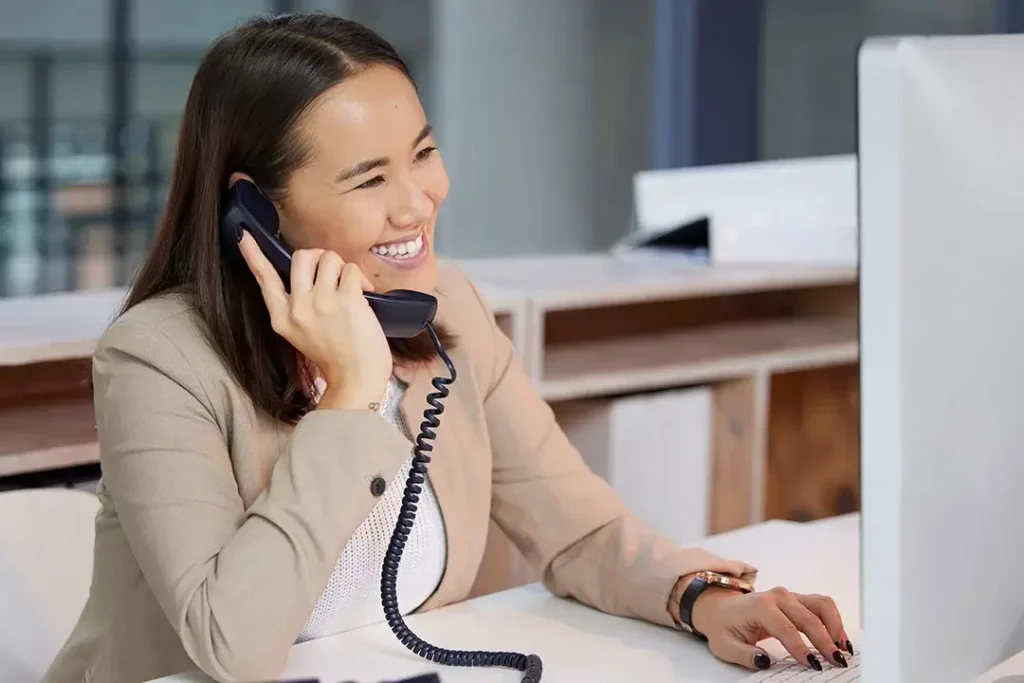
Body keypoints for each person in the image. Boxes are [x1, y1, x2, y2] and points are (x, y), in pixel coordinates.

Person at [43, 13, 853, 683]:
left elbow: (578, 531)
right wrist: (351, 397)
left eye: (423, 155)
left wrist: (703, 599)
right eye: (369, 180)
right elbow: (233, 647)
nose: (419, 202)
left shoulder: (446, 307)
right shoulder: (157, 359)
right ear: (254, 211)